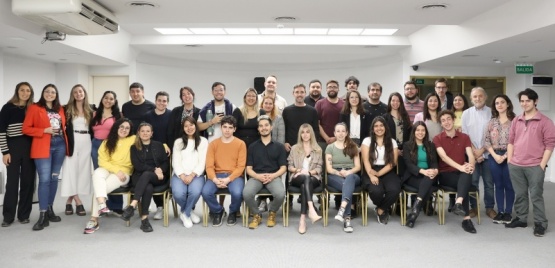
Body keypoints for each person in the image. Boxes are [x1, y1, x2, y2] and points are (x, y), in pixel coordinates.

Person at [506, 88, 555, 237]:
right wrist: (510, 160)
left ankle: (540, 223)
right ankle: (521, 219)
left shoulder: (545, 121)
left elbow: (550, 145)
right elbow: (511, 141)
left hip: (535, 166)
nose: (524, 103)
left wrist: (542, 165)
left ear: (535, 101)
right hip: (516, 165)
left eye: (528, 100)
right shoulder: (516, 120)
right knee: (520, 194)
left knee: (536, 195)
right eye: (522, 101)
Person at [23, 84, 68, 231]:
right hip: (43, 145)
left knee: (54, 178)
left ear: (56, 94)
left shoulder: (60, 108)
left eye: (53, 92)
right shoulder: (35, 108)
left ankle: (49, 209)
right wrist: (44, 130)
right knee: (44, 179)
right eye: (47, 91)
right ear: (43, 93)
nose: (50, 94)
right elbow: (26, 128)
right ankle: (42, 215)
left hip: (60, 145)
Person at [84, 118, 135, 234]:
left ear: (130, 130)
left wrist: (164, 145)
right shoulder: (107, 142)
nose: (124, 130)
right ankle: (102, 204)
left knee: (99, 188)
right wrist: (116, 170)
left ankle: (94, 219)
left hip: (123, 174)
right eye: (121, 127)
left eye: (127, 128)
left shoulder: (133, 139)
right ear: (116, 127)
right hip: (108, 169)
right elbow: (102, 161)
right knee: (97, 173)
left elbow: (149, 141)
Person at [433, 110, 477, 234]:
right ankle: (466, 219)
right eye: (443, 120)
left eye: (448, 119)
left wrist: (471, 165)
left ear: (453, 120)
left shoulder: (464, 137)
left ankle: (459, 204)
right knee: (465, 178)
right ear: (441, 124)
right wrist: (462, 167)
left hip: (461, 173)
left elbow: (471, 155)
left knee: (466, 175)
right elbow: (443, 157)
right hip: (446, 174)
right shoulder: (438, 138)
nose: (446, 122)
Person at [121, 123, 169, 232]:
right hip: (140, 176)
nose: (145, 133)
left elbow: (165, 162)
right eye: (142, 131)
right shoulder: (134, 147)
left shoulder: (159, 145)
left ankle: (133, 205)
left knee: (147, 176)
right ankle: (144, 219)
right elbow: (138, 165)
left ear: (152, 133)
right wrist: (154, 170)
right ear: (138, 133)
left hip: (158, 177)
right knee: (147, 187)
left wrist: (160, 170)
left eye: (148, 131)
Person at [1, 82, 36, 227]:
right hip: (13, 147)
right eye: (22, 90)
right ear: (17, 91)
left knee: (28, 182)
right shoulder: (7, 108)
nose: (25, 93)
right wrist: (5, 152)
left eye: (28, 90)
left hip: (30, 148)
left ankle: (24, 215)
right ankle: (8, 216)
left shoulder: (33, 109)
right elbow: (1, 132)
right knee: (12, 183)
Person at [201, 116, 246, 227]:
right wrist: (215, 179)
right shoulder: (213, 144)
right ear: (221, 128)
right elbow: (209, 166)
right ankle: (218, 211)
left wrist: (228, 179)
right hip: (216, 175)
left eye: (230, 127)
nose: (227, 130)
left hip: (234, 176)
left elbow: (241, 167)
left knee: (237, 193)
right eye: (224, 127)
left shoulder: (240, 144)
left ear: (234, 129)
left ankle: (232, 212)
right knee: (206, 192)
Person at [244, 115, 287, 229]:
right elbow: (248, 168)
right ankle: (256, 214)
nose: (264, 128)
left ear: (271, 127)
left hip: (273, 176)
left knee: (280, 194)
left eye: (266, 125)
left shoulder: (279, 147)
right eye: (261, 126)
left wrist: (273, 176)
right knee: (246, 193)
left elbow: (283, 168)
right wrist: (258, 176)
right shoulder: (252, 147)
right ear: (258, 129)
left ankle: (272, 212)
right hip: (256, 176)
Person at [61, 84, 93, 217]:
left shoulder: (91, 109)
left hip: (87, 140)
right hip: (72, 140)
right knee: (70, 170)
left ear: (84, 93)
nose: (78, 94)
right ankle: (78, 201)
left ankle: (69, 200)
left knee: (82, 171)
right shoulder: (66, 109)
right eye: (75, 92)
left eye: (80, 91)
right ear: (72, 95)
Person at [462, 87, 494, 219]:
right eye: (475, 96)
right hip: (472, 154)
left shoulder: (492, 113)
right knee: (473, 183)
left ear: (485, 97)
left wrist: (482, 150)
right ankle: (474, 208)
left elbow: (494, 135)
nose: (478, 98)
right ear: (471, 99)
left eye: (480, 96)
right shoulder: (466, 113)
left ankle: (490, 208)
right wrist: (475, 152)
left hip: (488, 153)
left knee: (489, 183)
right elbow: (465, 135)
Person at [361, 117, 400, 225]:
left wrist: (379, 174)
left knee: (394, 190)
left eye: (381, 125)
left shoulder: (392, 142)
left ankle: (381, 209)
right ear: (373, 129)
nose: (379, 128)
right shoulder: (367, 141)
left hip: (387, 169)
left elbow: (393, 163)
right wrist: (372, 175)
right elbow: (365, 160)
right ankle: (384, 206)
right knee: (376, 191)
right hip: (371, 169)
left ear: (385, 128)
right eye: (376, 126)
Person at [170, 117, 208, 228]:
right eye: (186, 126)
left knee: (195, 192)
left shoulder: (203, 141)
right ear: (183, 128)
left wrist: (192, 175)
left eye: (191, 125)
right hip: (179, 174)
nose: (189, 128)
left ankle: (185, 214)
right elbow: (176, 162)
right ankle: (189, 212)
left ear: (195, 126)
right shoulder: (178, 142)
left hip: (196, 174)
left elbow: (203, 162)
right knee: (178, 193)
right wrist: (182, 175)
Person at [483, 94, 515, 224]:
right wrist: (496, 156)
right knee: (498, 185)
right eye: (497, 103)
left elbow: (518, 141)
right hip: (494, 156)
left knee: (509, 184)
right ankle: (500, 211)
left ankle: (508, 212)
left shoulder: (515, 121)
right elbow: (486, 141)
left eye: (502, 102)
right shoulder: (491, 122)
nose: (500, 105)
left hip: (510, 155)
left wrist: (506, 155)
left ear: (508, 104)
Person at [287, 124, 323, 234]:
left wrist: (308, 172)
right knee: (304, 178)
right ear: (300, 134)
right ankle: (311, 208)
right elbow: (289, 166)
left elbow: (319, 168)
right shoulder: (294, 148)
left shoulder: (318, 149)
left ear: (311, 133)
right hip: (297, 177)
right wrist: (298, 171)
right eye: (303, 132)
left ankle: (302, 219)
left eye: (308, 132)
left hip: (313, 177)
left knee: (305, 183)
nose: (305, 134)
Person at [402, 121, 439, 228]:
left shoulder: (430, 145)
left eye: (423, 130)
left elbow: (434, 163)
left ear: (426, 132)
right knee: (430, 188)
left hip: (429, 175)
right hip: (413, 176)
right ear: (414, 132)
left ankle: (415, 210)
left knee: (429, 179)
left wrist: (435, 170)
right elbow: (409, 165)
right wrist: (424, 171)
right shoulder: (407, 145)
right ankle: (417, 208)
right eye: (418, 130)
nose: (420, 132)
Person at [326, 123, 361, 233]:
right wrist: (339, 173)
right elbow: (329, 169)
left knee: (349, 179)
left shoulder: (353, 146)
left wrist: (348, 172)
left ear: (346, 133)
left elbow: (358, 166)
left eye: (343, 131)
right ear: (334, 133)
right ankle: (347, 219)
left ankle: (342, 210)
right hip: (335, 175)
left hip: (352, 174)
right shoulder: (330, 148)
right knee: (347, 186)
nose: (340, 133)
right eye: (338, 131)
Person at [143, 91, 172, 219]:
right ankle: (158, 205)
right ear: (155, 101)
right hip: (151, 151)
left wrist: (168, 145)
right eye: (159, 100)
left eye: (164, 101)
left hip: (167, 151)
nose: (162, 103)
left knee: (164, 178)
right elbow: (145, 133)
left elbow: (173, 133)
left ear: (167, 102)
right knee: (153, 176)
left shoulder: (171, 115)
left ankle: (162, 206)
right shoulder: (148, 115)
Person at [282, 84, 319, 153]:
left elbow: (315, 129)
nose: (299, 94)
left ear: (305, 94)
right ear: (293, 94)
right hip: (291, 148)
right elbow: (284, 129)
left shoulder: (312, 111)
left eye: (302, 92)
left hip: (308, 148)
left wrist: (313, 144)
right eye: (297, 92)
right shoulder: (287, 111)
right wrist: (285, 142)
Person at [91, 91, 122, 170]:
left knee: (109, 169)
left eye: (111, 99)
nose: (108, 101)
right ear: (102, 99)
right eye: (106, 98)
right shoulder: (94, 114)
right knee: (97, 169)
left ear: (115, 102)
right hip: (95, 144)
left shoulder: (119, 116)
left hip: (110, 144)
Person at [384, 92, 411, 176]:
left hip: (404, 150)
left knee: (403, 172)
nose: (395, 103)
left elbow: (410, 134)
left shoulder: (405, 116)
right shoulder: (385, 117)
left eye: (398, 101)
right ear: (389, 102)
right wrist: (394, 149)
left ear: (401, 103)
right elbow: (384, 136)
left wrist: (405, 149)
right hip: (390, 149)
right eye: (393, 100)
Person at [316, 80, 345, 152]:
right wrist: (327, 138)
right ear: (326, 89)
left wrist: (336, 138)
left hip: (340, 141)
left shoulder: (344, 104)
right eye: (330, 87)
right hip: (323, 142)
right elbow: (317, 123)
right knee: (323, 163)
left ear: (338, 89)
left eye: (334, 87)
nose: (332, 89)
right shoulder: (319, 103)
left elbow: (346, 123)